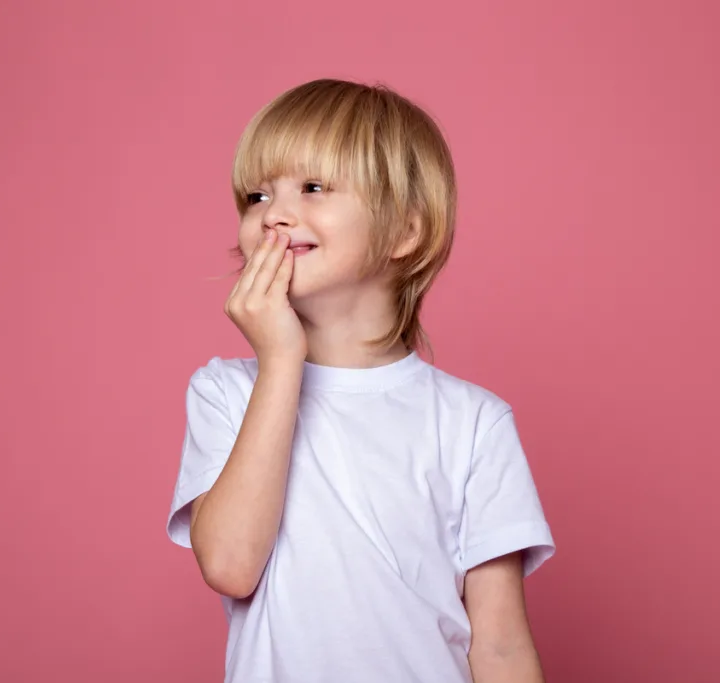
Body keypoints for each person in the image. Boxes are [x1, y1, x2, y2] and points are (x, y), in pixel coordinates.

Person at [166, 78, 555, 683]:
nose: (276, 215)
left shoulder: (472, 423)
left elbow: (501, 646)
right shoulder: (226, 392)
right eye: (256, 196)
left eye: (313, 188)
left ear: (405, 232)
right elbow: (232, 566)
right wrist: (280, 362)